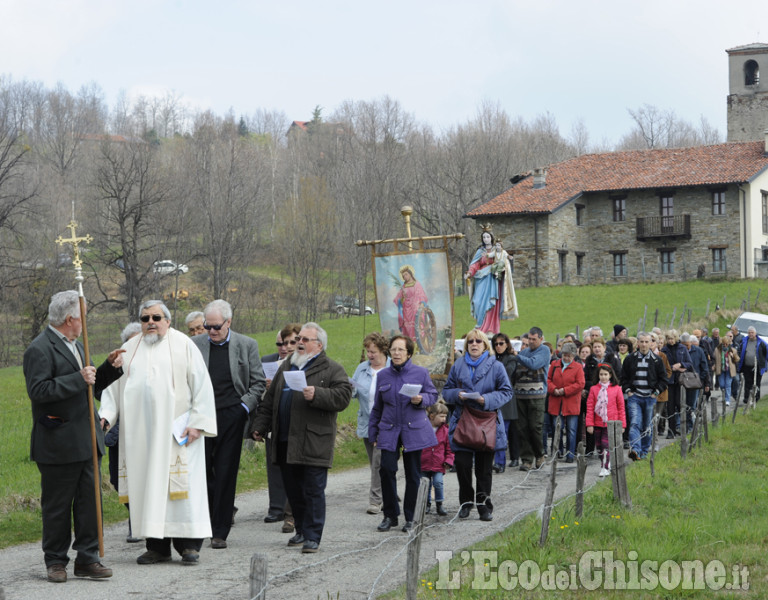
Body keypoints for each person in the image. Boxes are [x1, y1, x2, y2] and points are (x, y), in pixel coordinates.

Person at [99, 300, 217, 566]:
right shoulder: (129, 349)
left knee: (180, 490)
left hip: (178, 433)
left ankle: (188, 546)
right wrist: (106, 416)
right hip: (140, 436)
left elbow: (201, 386)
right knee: (147, 488)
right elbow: (112, 389)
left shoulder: (184, 345)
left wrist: (198, 422)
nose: (150, 322)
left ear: (168, 320)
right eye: (144, 318)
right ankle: (157, 546)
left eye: (156, 317)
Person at [24, 290, 125, 583]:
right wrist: (77, 378)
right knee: (57, 507)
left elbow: (89, 389)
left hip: (87, 440)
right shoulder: (39, 349)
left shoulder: (77, 345)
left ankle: (88, 558)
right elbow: (38, 391)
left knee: (89, 503)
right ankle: (55, 561)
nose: (85, 323)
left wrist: (108, 369)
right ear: (70, 319)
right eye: (83, 318)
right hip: (57, 442)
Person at [249, 323, 352, 553]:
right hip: (286, 441)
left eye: (305, 340)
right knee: (293, 490)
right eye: (298, 339)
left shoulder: (332, 369)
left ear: (319, 345)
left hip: (314, 441)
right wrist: (259, 426)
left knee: (313, 490)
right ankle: (301, 531)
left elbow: (344, 396)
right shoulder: (287, 365)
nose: (299, 343)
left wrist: (319, 394)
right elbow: (270, 400)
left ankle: (313, 536)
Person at [192, 299, 265, 550]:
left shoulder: (246, 345)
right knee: (202, 471)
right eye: (207, 326)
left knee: (225, 472)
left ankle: (220, 530)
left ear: (229, 322)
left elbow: (258, 384)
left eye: (216, 327)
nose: (211, 332)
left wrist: (242, 408)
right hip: (201, 417)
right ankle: (205, 521)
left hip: (231, 417)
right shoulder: (195, 345)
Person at [369, 335, 437, 532]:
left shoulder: (421, 373)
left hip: (413, 429)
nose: (396, 353)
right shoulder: (383, 376)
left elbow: (433, 395)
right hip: (389, 429)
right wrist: (373, 433)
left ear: (409, 353)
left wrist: (421, 399)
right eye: (393, 349)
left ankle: (411, 517)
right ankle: (390, 516)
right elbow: (377, 407)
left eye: (401, 350)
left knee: (413, 474)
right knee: (387, 470)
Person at [443, 329, 512, 521]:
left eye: (478, 341)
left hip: (486, 421)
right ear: (466, 346)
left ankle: (484, 505)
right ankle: (466, 503)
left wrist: (486, 399)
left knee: (484, 468)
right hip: (463, 420)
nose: (474, 344)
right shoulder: (458, 365)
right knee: (463, 465)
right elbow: (446, 390)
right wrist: (457, 394)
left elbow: (507, 392)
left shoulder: (496, 367)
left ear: (485, 345)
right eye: (470, 342)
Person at [103, 321, 142, 543]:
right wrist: (106, 418)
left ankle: (140, 523)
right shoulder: (118, 364)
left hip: (147, 432)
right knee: (119, 480)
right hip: (121, 433)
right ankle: (135, 516)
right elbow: (106, 394)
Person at [260, 323, 301, 529]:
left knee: (295, 470)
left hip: (298, 424)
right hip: (275, 423)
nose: (284, 347)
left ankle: (292, 513)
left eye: (290, 343)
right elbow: (259, 393)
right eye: (281, 343)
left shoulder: (305, 364)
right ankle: (276, 507)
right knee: (275, 466)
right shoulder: (267, 362)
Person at [351, 332, 390, 515]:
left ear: (383, 350)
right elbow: (352, 391)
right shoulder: (362, 369)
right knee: (374, 462)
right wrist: (348, 388)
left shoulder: (391, 368)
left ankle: (375, 501)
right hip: (367, 422)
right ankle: (388, 490)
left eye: (373, 351)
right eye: (368, 351)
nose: (370, 355)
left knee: (378, 461)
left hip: (387, 423)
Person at [621, 332, 668, 461]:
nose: (644, 344)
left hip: (649, 397)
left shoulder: (657, 360)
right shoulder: (630, 359)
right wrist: (628, 390)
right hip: (635, 396)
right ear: (638, 343)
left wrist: (656, 392)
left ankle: (644, 451)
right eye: (641, 342)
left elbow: (664, 379)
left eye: (647, 342)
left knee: (647, 425)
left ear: (651, 343)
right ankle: (635, 449)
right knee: (635, 423)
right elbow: (623, 377)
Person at [464, 230, 518, 334]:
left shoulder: (497, 249)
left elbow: (503, 260)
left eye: (488, 237)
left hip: (492, 279)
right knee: (477, 302)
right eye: (484, 237)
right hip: (481, 278)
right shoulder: (480, 251)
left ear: (491, 238)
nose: (486, 239)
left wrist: (502, 267)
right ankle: (479, 326)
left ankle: (490, 329)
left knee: (491, 303)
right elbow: (475, 264)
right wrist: (470, 273)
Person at [513, 327, 550, 471]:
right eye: (529, 338)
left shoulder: (544, 351)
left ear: (541, 339)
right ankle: (527, 459)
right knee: (522, 428)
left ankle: (539, 454)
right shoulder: (523, 352)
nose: (531, 341)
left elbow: (534, 364)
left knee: (535, 427)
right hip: (520, 394)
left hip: (537, 395)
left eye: (534, 339)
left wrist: (517, 356)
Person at [545, 342, 585, 463]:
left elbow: (580, 384)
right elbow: (548, 380)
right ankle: (558, 451)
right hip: (556, 401)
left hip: (571, 402)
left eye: (569, 356)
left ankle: (570, 454)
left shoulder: (578, 367)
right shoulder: (554, 364)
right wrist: (553, 389)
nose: (566, 358)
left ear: (573, 356)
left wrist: (565, 390)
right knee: (557, 427)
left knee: (571, 430)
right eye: (565, 355)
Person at [586, 364, 626, 477]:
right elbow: (590, 407)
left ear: (610, 375)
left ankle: (605, 466)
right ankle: (604, 461)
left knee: (606, 445)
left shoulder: (617, 389)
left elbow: (621, 407)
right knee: (599, 446)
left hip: (611, 423)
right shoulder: (594, 389)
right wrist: (589, 424)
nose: (603, 377)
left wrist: (622, 424)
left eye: (605, 374)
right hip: (598, 422)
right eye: (601, 374)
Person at [491, 332, 520, 470]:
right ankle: (498, 461)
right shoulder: (492, 359)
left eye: (501, 343)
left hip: (506, 400)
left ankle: (500, 462)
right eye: (496, 344)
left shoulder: (511, 359)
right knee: (495, 432)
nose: (498, 346)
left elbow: (506, 376)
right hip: (494, 398)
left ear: (507, 344)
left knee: (502, 431)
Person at [420, 400, 454, 516]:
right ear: (432, 416)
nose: (444, 419)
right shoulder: (422, 429)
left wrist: (449, 461)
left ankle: (439, 504)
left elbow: (450, 449)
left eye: (445, 416)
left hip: (439, 464)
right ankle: (426, 504)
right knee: (426, 485)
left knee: (438, 483)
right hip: (424, 463)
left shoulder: (445, 431)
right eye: (441, 416)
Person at [661, 330, 693, 438]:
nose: (670, 341)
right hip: (669, 381)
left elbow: (689, 363)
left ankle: (686, 426)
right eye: (668, 339)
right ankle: (671, 430)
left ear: (676, 338)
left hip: (680, 381)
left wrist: (680, 364)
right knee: (670, 406)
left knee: (681, 405)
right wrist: (670, 367)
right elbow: (662, 365)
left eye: (672, 338)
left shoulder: (682, 349)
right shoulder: (664, 350)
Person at [393, 265, 428, 341]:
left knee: (417, 324)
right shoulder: (403, 286)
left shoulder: (416, 284)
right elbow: (397, 299)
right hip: (406, 310)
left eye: (406, 274)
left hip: (415, 308)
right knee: (407, 327)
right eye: (403, 276)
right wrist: (402, 298)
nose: (405, 277)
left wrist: (421, 303)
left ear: (410, 274)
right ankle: (410, 343)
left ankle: (419, 343)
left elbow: (421, 294)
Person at [738, 326, 768, 403]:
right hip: (746, 366)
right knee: (747, 383)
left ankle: (756, 399)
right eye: (749, 333)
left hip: (757, 367)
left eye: (752, 332)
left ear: (755, 333)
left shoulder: (761, 342)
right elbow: (740, 351)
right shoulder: (744, 341)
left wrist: (765, 365)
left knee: (756, 383)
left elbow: (766, 353)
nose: (751, 334)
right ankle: (747, 399)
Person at [714, 332, 739, 408]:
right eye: (723, 344)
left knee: (728, 385)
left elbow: (737, 360)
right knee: (722, 385)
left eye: (726, 344)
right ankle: (725, 396)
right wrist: (713, 366)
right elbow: (714, 359)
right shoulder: (717, 350)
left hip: (729, 370)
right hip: (721, 370)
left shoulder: (733, 350)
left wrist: (733, 355)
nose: (725, 345)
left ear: (729, 344)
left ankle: (727, 400)